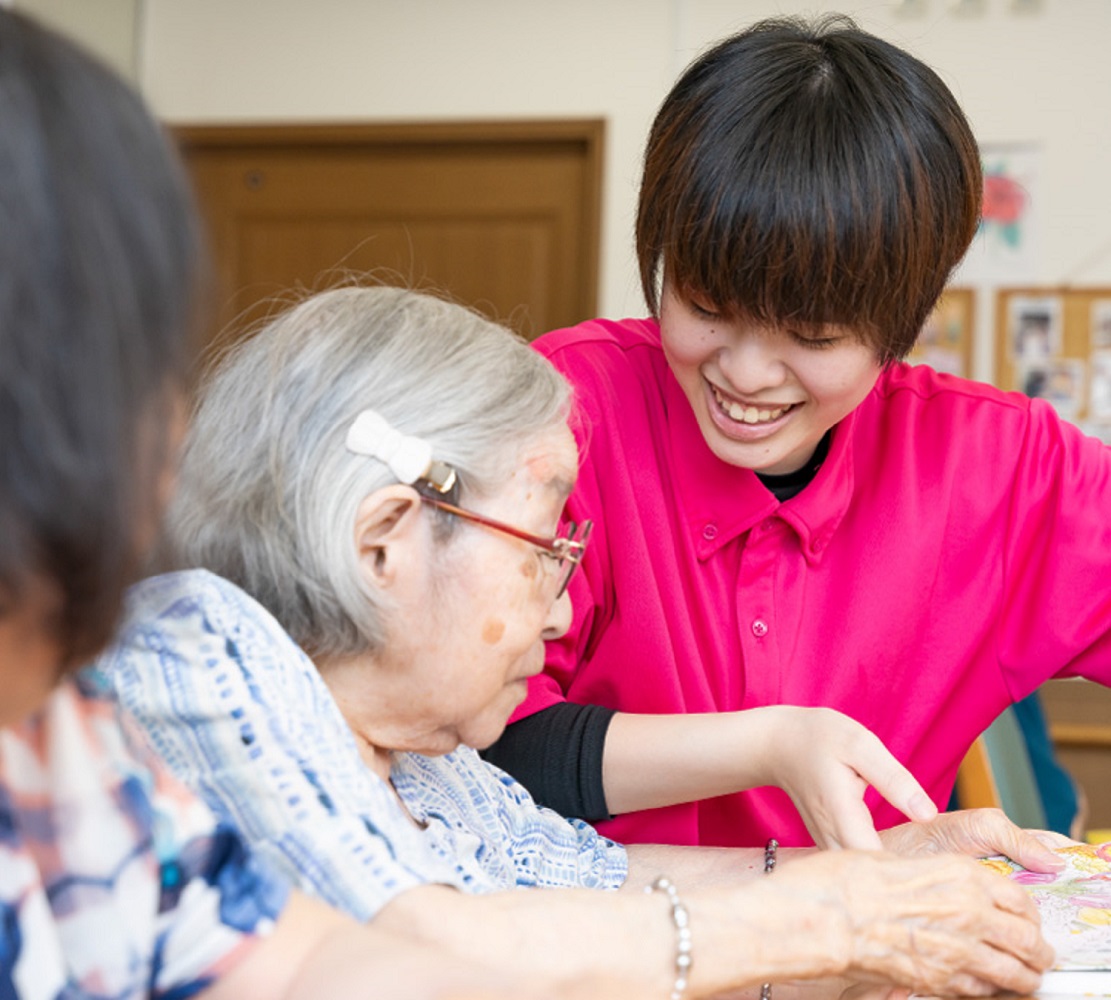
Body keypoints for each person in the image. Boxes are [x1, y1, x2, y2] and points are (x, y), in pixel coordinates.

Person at [103, 284, 1056, 998]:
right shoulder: (196, 650)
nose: (562, 613)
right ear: (384, 540)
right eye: (545, 545)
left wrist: (890, 871)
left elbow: (608, 884)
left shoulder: (430, 763)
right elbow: (416, 951)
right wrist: (835, 919)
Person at [0, 11, 555, 999]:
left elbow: (277, 956)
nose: (171, 436)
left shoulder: (61, 723)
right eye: (140, 371)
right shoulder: (188, 645)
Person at [481, 13, 1111, 852]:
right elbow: (477, 740)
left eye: (810, 338)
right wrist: (768, 747)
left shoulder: (997, 467)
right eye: (705, 307)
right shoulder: (565, 413)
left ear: (900, 327)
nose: (744, 374)